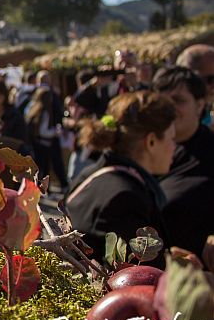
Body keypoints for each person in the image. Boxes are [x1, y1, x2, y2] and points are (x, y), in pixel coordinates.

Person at [61, 91, 177, 264]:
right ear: (151, 141)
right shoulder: (126, 198)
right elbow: (140, 274)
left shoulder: (92, 174)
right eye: (172, 138)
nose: (175, 147)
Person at [153, 66, 214, 259]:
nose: (169, 107)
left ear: (200, 104)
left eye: (178, 100)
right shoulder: (140, 151)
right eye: (163, 100)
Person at [26, 86, 68, 192]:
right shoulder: (44, 112)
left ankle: (43, 189)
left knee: (43, 169)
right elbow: (44, 131)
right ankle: (42, 190)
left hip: (39, 144)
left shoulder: (34, 109)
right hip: (43, 144)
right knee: (43, 169)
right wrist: (56, 132)